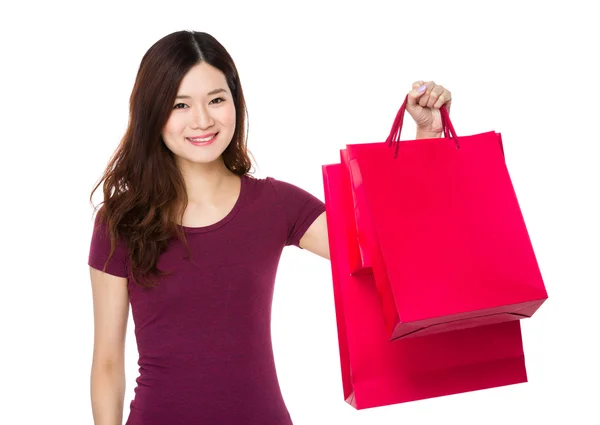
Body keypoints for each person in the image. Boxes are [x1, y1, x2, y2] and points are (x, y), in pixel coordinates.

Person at [87, 30, 452, 425]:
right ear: (152, 112)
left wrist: (426, 139)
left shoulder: (276, 204)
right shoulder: (121, 221)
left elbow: (386, 251)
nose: (203, 120)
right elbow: (108, 362)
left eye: (216, 100)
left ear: (235, 104)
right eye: (180, 104)